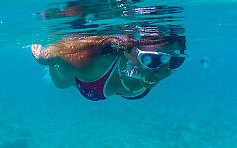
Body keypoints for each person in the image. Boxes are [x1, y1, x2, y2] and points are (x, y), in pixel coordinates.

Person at [31, 33, 186, 101]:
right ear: (129, 51)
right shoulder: (90, 63)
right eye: (150, 59)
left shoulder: (155, 70)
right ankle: (51, 71)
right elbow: (53, 55)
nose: (162, 71)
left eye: (174, 61)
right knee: (61, 84)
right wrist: (41, 58)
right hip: (73, 75)